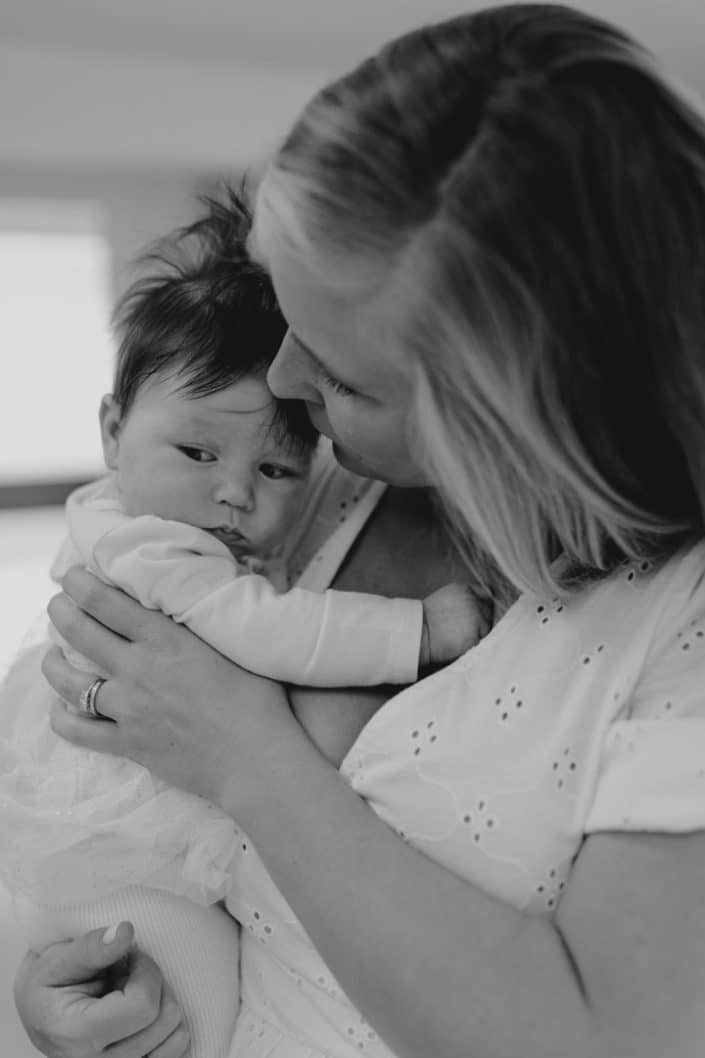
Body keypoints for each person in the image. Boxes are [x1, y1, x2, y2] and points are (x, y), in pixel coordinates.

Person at [16, 4, 705, 1057]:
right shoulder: (317, 486)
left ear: (508, 420)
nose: (287, 382)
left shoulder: (680, 626)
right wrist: (90, 987)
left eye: (342, 372)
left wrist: (250, 754)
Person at [2, 190, 479, 1058]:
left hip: (119, 853)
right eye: (197, 453)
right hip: (113, 850)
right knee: (183, 1009)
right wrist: (417, 632)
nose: (234, 493)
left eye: (274, 469)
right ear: (112, 430)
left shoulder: (157, 515)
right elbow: (268, 629)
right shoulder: (148, 548)